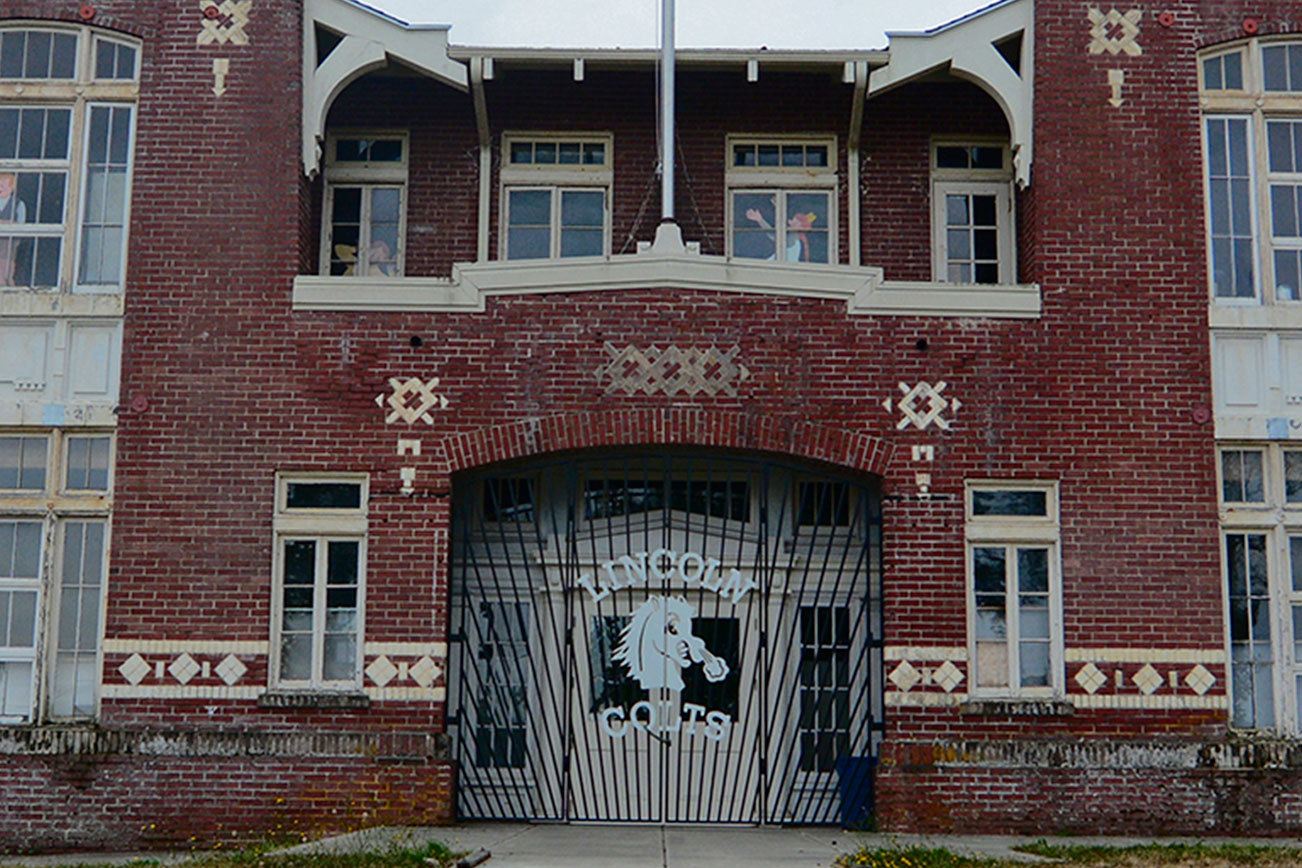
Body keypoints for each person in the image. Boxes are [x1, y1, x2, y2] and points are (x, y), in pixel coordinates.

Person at [744, 206, 817, 262]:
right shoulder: (795, 239)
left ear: (800, 227)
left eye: (794, 222)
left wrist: (760, 220)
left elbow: (776, 237)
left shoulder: (793, 238)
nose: (790, 222)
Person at [0, 172, 26, 285]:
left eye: (2, 186)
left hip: (8, 246)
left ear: (12, 187)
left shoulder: (19, 205)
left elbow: (20, 227)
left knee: (5, 274)